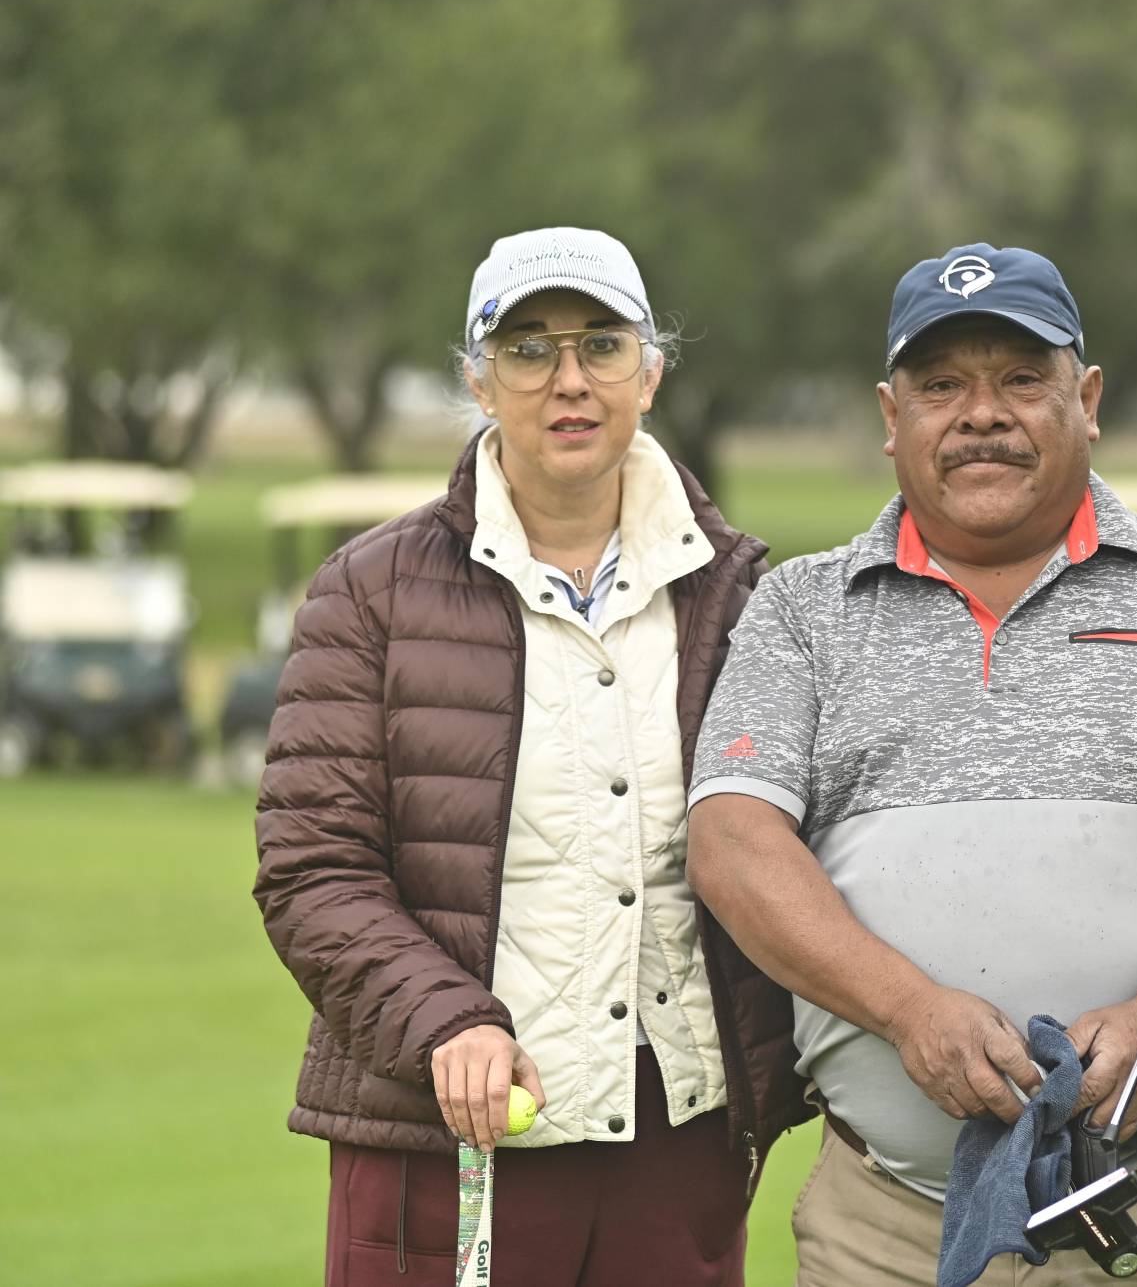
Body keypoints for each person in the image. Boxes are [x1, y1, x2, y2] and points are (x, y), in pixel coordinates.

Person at [686, 242, 1137, 1285]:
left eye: (1020, 380)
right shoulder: (800, 608)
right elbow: (730, 841)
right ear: (888, 414)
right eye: (941, 383)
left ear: (1085, 399)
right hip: (885, 1228)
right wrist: (908, 1007)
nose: (980, 413)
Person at [253, 227, 808, 1287]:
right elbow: (311, 868)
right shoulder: (366, 591)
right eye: (527, 348)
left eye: (601, 345)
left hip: (675, 1139)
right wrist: (443, 1017)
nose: (569, 379)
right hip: (440, 1130)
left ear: (649, 372)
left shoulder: (744, 597)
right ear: (476, 376)